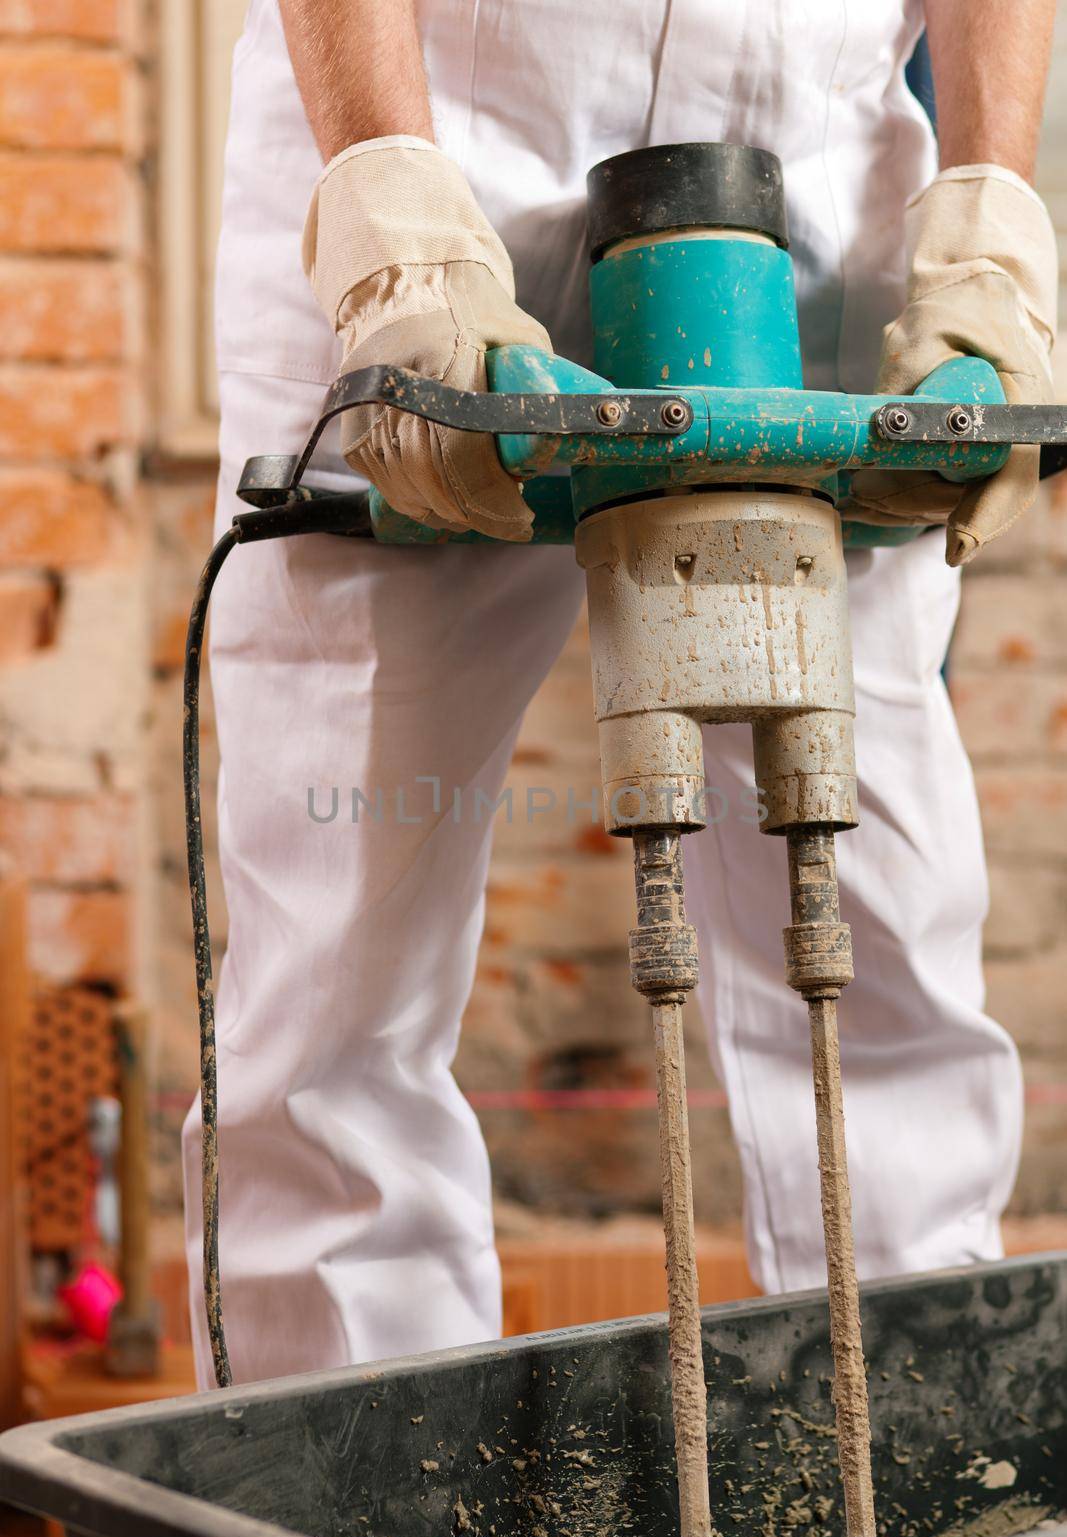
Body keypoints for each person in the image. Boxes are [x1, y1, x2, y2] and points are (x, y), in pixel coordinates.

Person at [183, 0, 1057, 1388]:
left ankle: (923, 1476)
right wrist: (386, 189)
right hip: (442, 137)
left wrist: (994, 207)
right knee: (339, 968)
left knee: (877, 940)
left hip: (818, 182)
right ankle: (372, 1520)